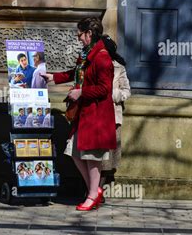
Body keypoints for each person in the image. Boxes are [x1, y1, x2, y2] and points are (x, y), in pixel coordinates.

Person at [43, 16, 116, 211]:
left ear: (89, 34)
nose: (78, 38)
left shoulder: (101, 57)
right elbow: (74, 73)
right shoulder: (87, 54)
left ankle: (92, 194)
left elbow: (105, 89)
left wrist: (81, 92)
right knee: (74, 152)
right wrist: (53, 77)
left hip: (96, 116)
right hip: (84, 115)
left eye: (80, 34)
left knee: (92, 157)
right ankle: (94, 190)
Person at [100, 36, 131, 203]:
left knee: (108, 155)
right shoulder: (91, 64)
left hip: (112, 116)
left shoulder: (119, 67)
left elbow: (126, 90)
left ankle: (99, 190)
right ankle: (92, 189)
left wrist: (114, 94)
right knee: (94, 154)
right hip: (95, 116)